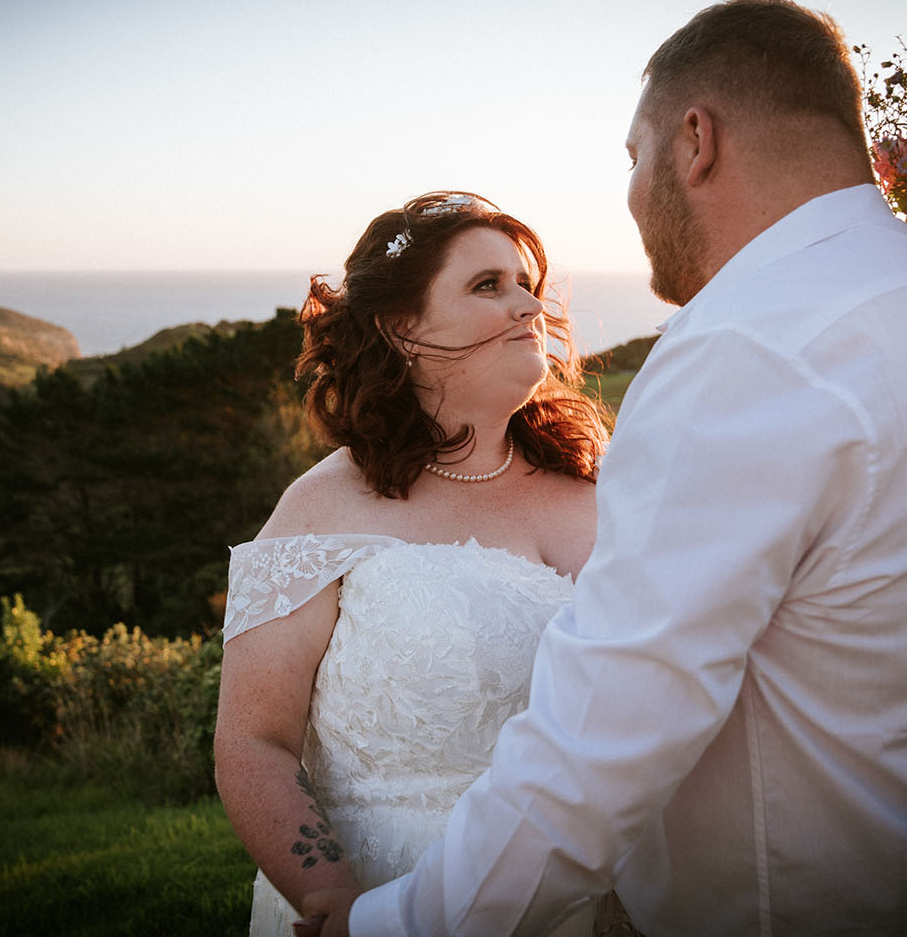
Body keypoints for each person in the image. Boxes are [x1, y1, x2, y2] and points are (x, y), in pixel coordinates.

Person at [307, 0, 907, 936]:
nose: (633, 196)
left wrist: (394, 926)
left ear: (696, 140)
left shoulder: (749, 347)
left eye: (634, 159)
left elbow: (606, 742)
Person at [213, 191, 621, 936]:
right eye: (487, 285)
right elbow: (252, 741)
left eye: (526, 282)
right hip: (378, 893)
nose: (529, 304)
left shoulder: (607, 489)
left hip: (581, 898)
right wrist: (331, 898)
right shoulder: (322, 509)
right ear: (403, 329)